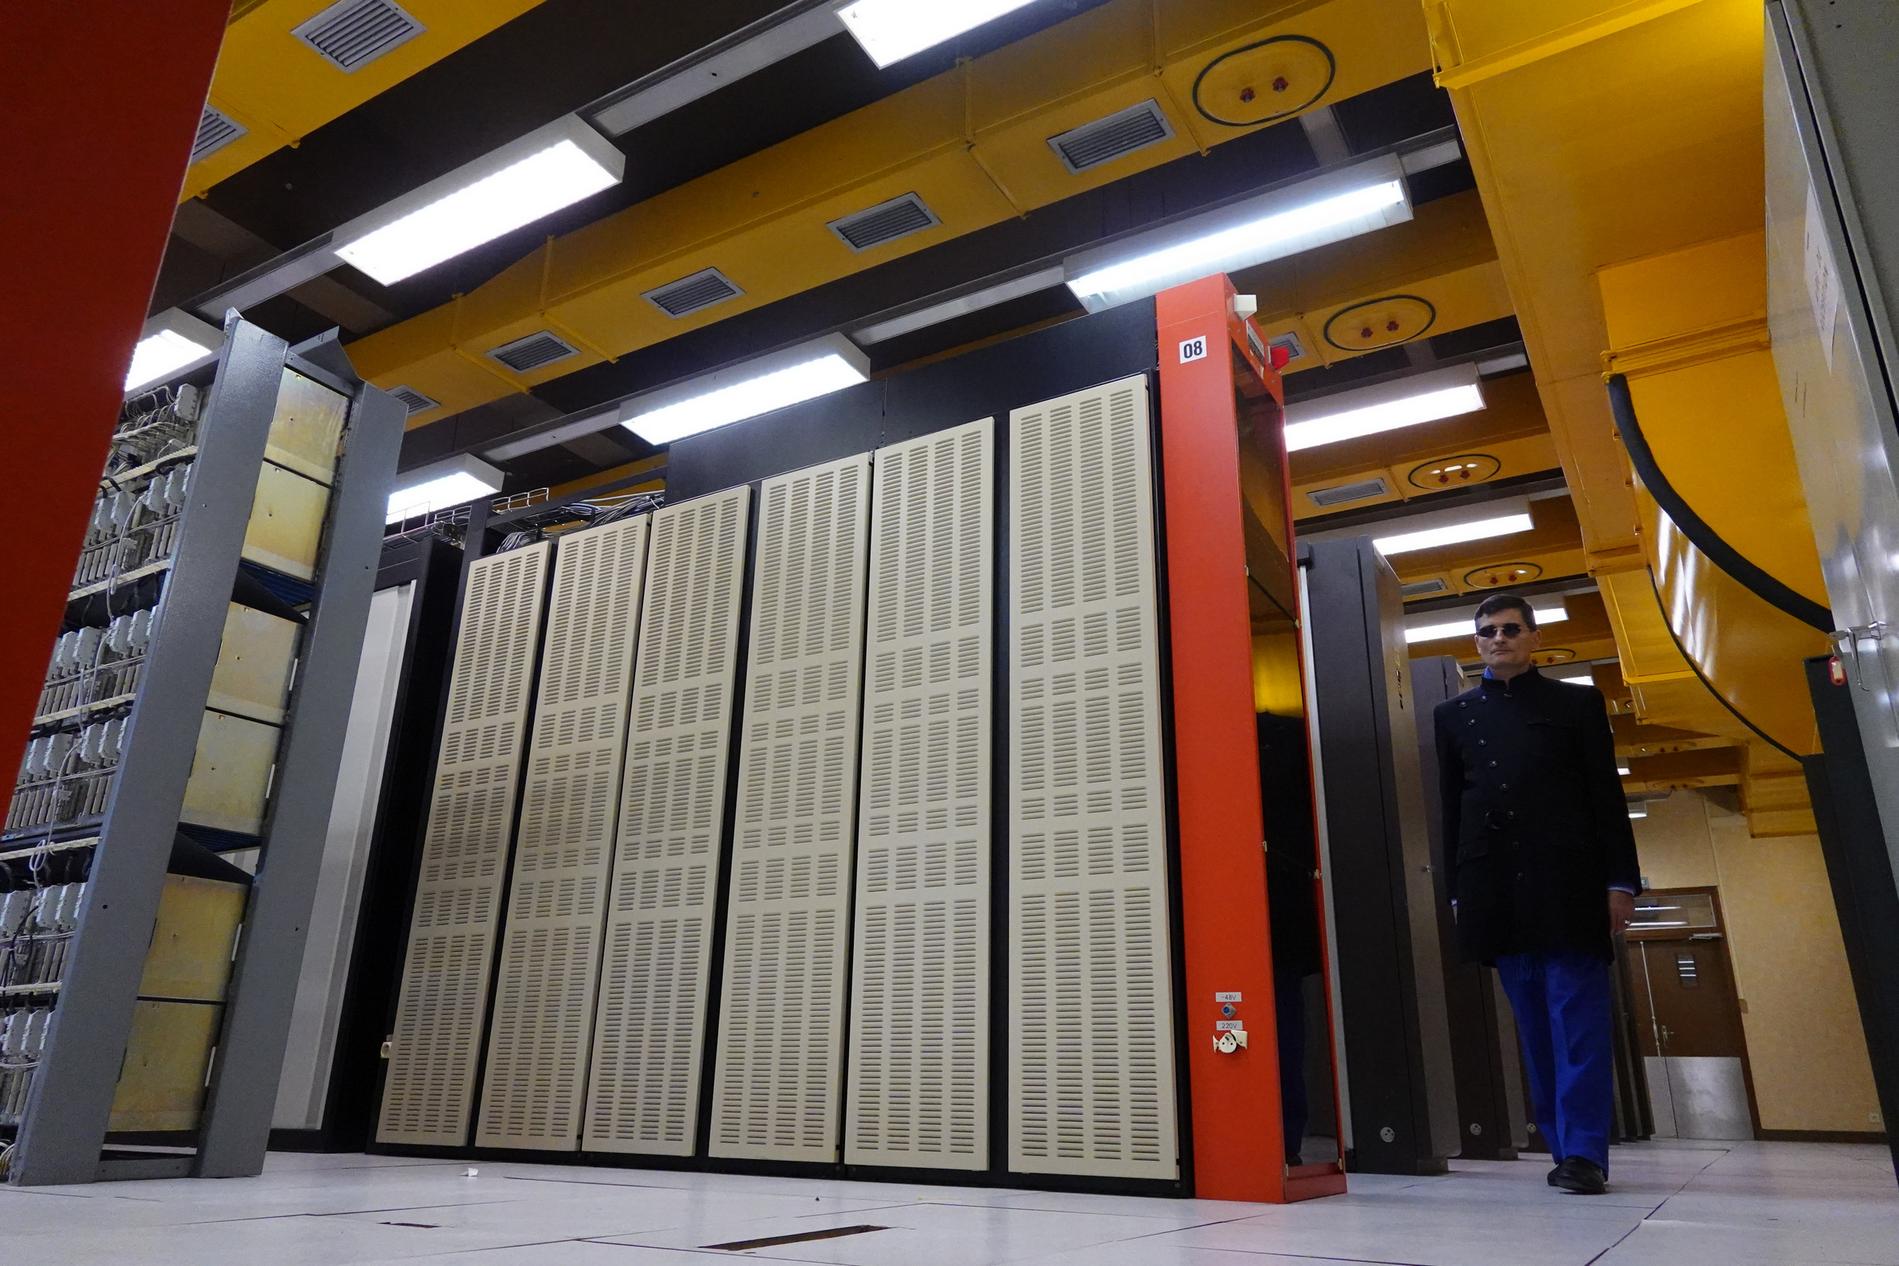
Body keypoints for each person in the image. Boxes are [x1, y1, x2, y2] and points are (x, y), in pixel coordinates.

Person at [1432, 593, 1640, 1195]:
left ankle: (1585, 1153)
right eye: (1487, 632)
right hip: (1495, 887)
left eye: (1510, 629)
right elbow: (1452, 810)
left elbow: (1606, 797)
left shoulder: (1576, 703)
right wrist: (1458, 892)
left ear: (1533, 637)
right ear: (1477, 643)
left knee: (1578, 1022)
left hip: (1569, 883)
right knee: (1533, 1026)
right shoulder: (1453, 716)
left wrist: (1620, 881)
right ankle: (1561, 1146)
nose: (1498, 639)